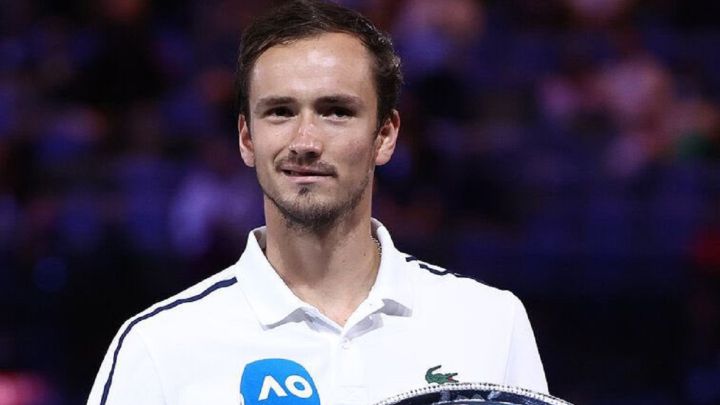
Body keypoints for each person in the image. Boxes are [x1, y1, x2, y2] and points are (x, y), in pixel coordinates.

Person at [87, 1, 547, 404]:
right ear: (247, 138)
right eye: (280, 112)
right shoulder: (159, 347)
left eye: (336, 112)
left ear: (385, 135)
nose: (305, 141)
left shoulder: (489, 323)